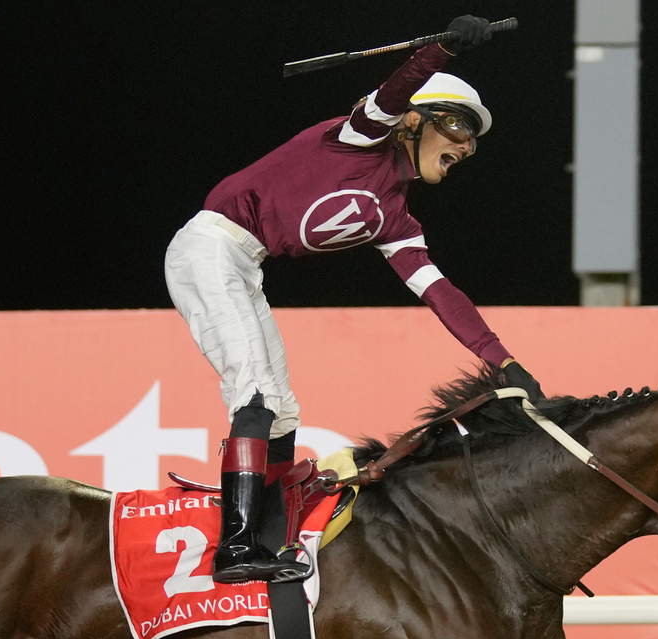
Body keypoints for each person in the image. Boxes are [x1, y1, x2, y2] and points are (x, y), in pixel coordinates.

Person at [165, 15, 545, 584]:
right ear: (415, 121)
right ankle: (235, 548)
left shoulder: (396, 217)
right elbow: (396, 89)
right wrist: (443, 47)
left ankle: (269, 532)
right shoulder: (357, 138)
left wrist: (504, 362)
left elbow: (442, 293)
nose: (468, 147)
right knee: (256, 395)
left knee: (282, 410)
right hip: (209, 246)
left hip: (245, 265)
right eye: (460, 130)